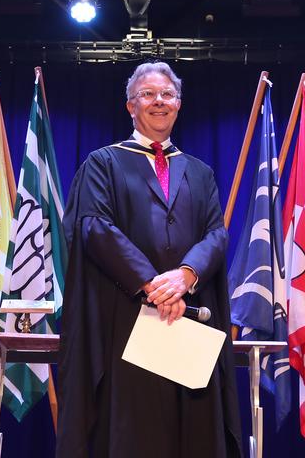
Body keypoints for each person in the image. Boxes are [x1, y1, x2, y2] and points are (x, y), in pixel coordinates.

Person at [56, 62, 242, 458]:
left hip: (190, 319)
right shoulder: (103, 163)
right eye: (148, 94)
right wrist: (153, 285)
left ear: (179, 104)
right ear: (130, 106)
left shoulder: (199, 172)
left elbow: (216, 233)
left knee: (194, 436)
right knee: (135, 436)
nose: (159, 101)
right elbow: (93, 227)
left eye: (168, 95)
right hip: (128, 322)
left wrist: (185, 276)